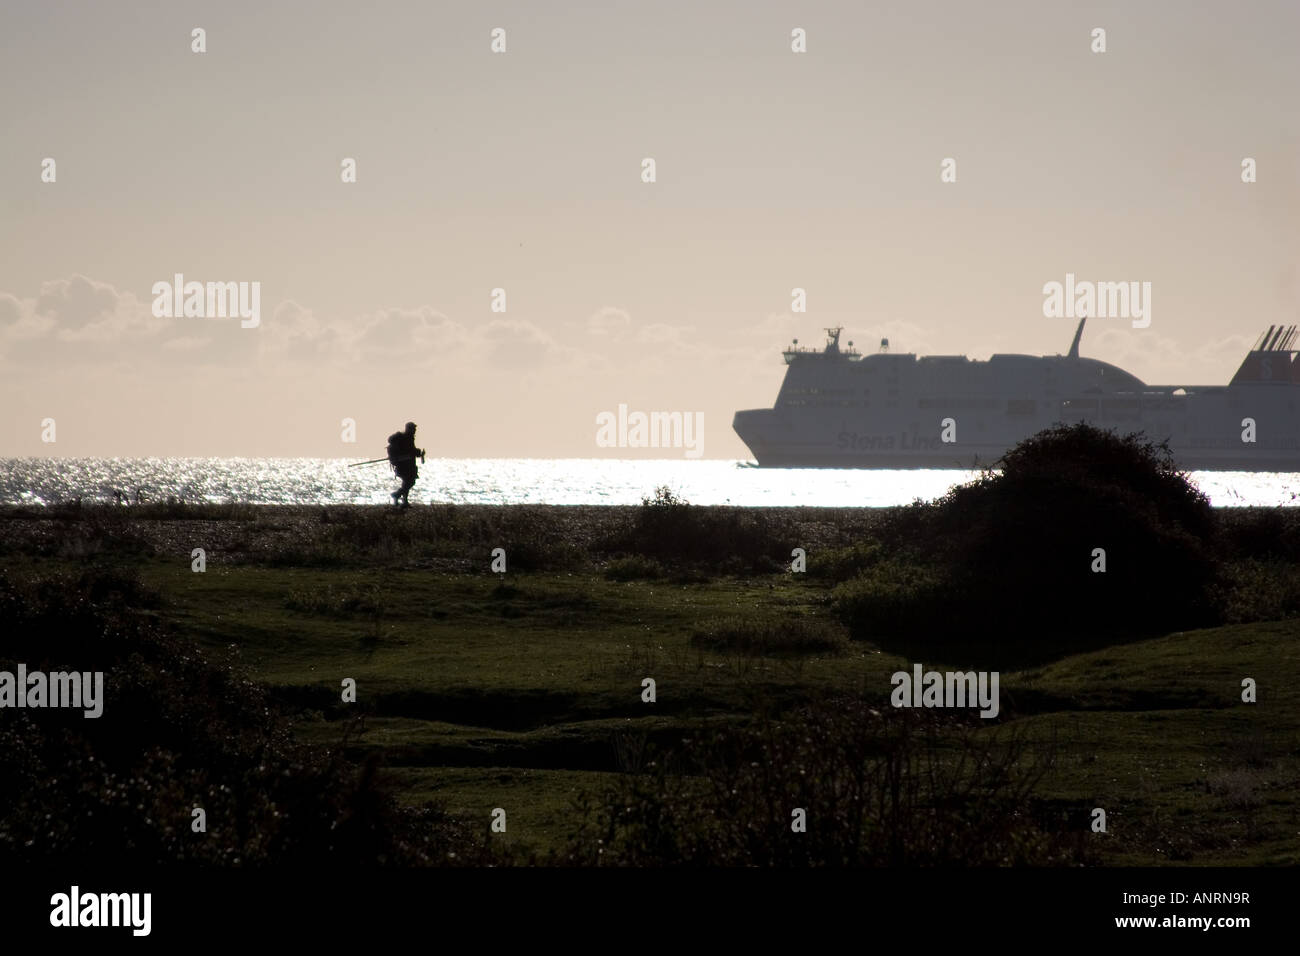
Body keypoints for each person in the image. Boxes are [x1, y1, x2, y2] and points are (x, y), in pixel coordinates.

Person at [386, 421, 425, 508]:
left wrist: (417, 453)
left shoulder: (408, 438)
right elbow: (410, 451)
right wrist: (417, 452)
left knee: (407, 482)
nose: (415, 430)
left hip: (405, 465)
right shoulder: (406, 438)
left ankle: (404, 501)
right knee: (409, 482)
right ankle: (397, 495)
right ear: (409, 429)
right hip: (404, 465)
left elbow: (412, 451)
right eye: (413, 428)